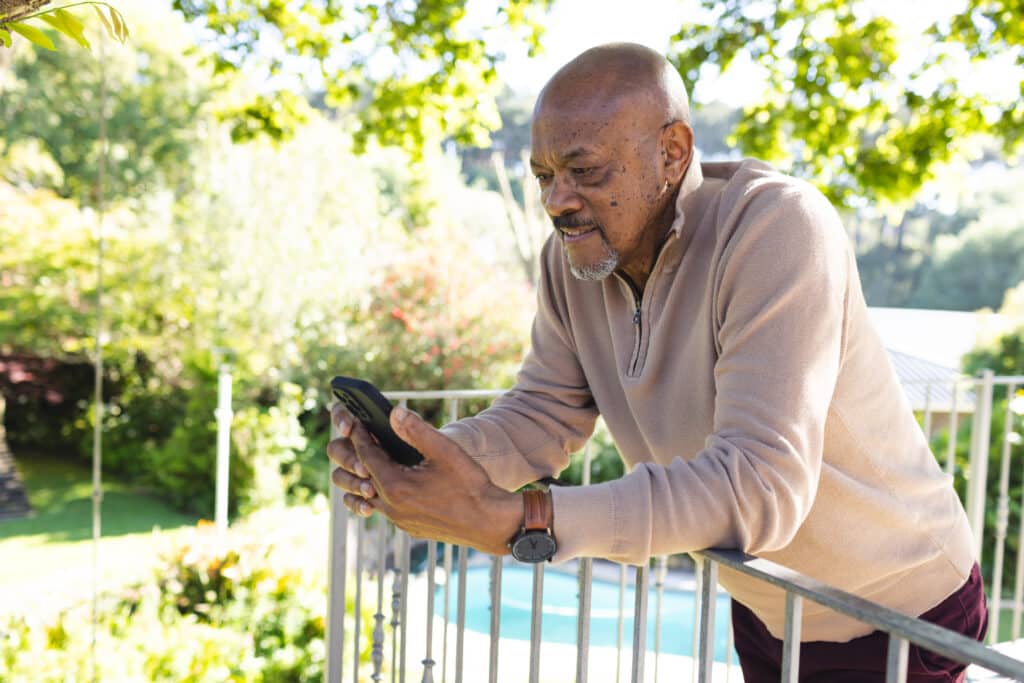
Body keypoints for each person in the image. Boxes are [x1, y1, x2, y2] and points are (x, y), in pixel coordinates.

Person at [327, 43, 987, 681]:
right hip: (771, 606)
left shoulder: (778, 228)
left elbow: (760, 484)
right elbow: (541, 414)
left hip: (899, 609)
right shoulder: (571, 261)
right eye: (544, 176)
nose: (557, 200)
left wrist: (525, 520)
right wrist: (424, 457)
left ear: (672, 153)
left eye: (585, 173)